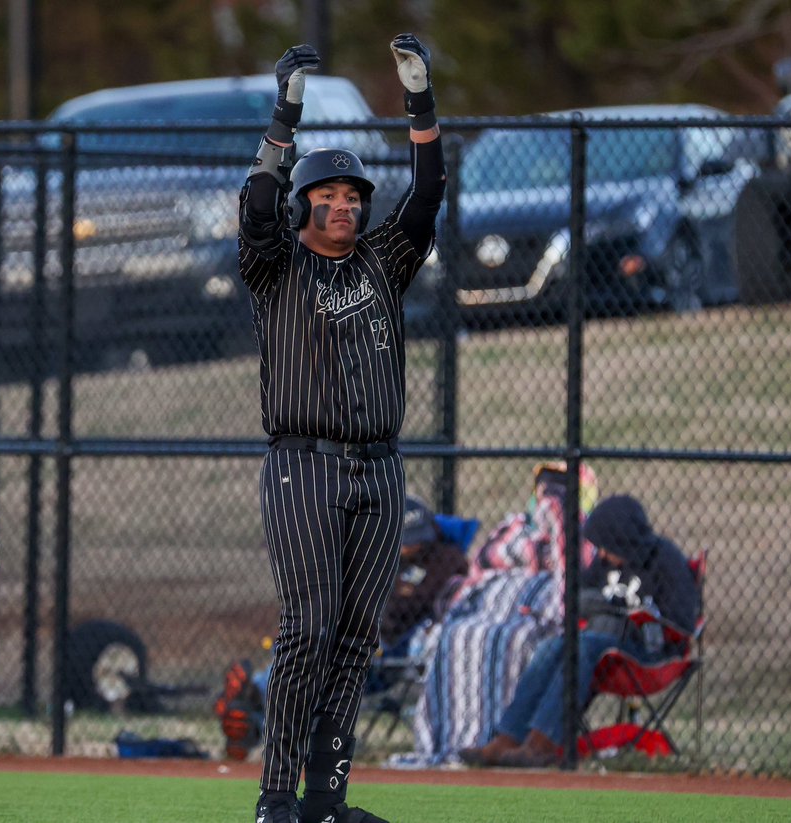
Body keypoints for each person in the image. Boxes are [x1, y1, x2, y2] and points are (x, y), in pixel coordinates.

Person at [238, 33, 446, 823]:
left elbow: (427, 194)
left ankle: (326, 801)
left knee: (357, 635)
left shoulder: (383, 261)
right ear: (305, 206)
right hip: (306, 465)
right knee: (308, 629)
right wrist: (284, 116)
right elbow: (258, 207)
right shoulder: (276, 266)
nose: (346, 204)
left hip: (379, 467)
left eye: (354, 195)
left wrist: (420, 102)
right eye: (328, 194)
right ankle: (275, 800)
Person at [214, 495, 474, 761]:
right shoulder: (381, 559)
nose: (408, 546)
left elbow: (408, 606)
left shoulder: (447, 560)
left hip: (391, 651)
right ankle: (250, 711)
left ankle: (258, 699)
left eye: (414, 539)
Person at [459, 494, 700, 768]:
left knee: (584, 645)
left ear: (623, 541)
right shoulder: (604, 563)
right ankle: (508, 738)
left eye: (607, 548)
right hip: (605, 648)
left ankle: (543, 744)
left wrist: (632, 618)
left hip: (649, 654)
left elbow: (682, 624)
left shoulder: (666, 561)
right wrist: (602, 606)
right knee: (554, 645)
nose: (602, 555)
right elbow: (578, 595)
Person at [396, 461, 599, 767]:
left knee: (511, 639)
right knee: (455, 634)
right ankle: (458, 739)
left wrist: (557, 514)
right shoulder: (514, 527)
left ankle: (500, 738)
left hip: (529, 616)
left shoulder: (587, 534)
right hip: (490, 608)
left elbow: (571, 572)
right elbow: (485, 563)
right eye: (544, 489)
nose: (546, 497)